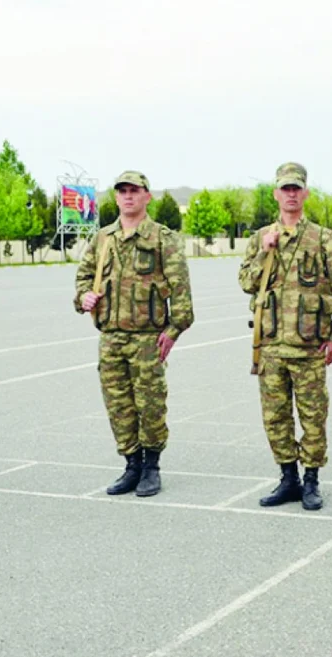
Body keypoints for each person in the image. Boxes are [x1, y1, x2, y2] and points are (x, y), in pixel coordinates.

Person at [238, 162, 332, 511]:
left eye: (296, 188)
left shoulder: (323, 238)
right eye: (285, 188)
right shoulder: (261, 237)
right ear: (275, 193)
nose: (290, 194)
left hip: (308, 347)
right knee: (275, 416)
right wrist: (265, 250)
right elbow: (246, 282)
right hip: (271, 346)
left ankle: (311, 481)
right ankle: (287, 477)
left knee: (313, 416)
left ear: (305, 193)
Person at [74, 171, 193, 498]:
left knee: (150, 404)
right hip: (111, 338)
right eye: (122, 191)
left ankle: (151, 467)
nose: (128, 196)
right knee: (118, 405)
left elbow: (181, 291)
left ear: (146, 196)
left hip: (146, 338)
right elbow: (83, 279)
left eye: (134, 191)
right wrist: (83, 297)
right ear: (116, 197)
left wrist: (173, 331)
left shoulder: (161, 238)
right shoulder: (102, 239)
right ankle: (131, 465)